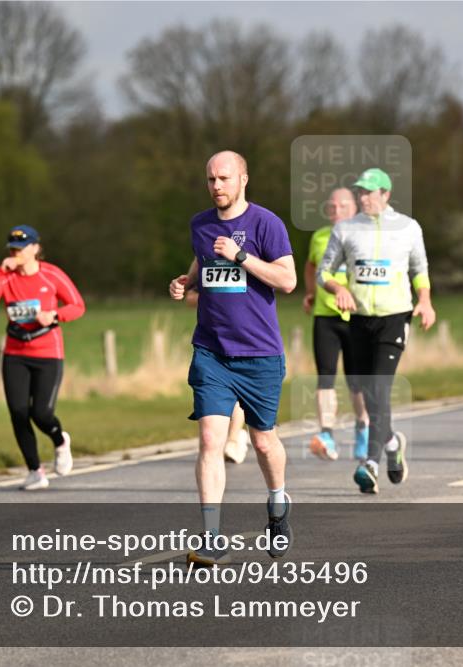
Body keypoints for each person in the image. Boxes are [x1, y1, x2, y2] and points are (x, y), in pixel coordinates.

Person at [169, 150, 295, 565]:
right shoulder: (200, 225)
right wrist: (187, 282)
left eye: (224, 178)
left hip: (259, 353)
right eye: (210, 179)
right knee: (210, 440)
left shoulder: (266, 223)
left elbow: (288, 280)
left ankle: (278, 505)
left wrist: (241, 256)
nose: (216, 186)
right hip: (212, 352)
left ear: (243, 178)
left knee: (262, 441)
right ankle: (211, 536)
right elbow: (203, 261)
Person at [317, 168, 436, 494]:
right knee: (366, 393)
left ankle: (370, 463)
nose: (363, 197)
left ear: (386, 194)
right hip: (358, 319)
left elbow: (420, 268)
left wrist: (424, 300)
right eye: (360, 192)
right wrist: (336, 288)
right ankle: (393, 441)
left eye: (369, 192)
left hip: (394, 317)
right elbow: (324, 271)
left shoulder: (408, 228)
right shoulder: (345, 229)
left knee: (380, 389)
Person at [0, 225, 85, 490]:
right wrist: (0, 271)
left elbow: (77, 306)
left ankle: (60, 441)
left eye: (22, 248)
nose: (17, 253)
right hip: (15, 353)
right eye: (13, 248)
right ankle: (35, 470)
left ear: (36, 248)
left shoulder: (51, 275)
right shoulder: (6, 277)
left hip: (48, 352)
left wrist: (55, 315)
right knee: (18, 412)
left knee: (42, 413)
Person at [303, 187, 369, 461]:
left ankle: (364, 426)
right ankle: (327, 433)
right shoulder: (319, 237)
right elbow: (310, 267)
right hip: (325, 316)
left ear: (355, 209)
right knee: (325, 377)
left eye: (343, 206)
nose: (337, 211)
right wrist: (310, 292)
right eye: (332, 207)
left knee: (356, 381)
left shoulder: (366, 237)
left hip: (356, 318)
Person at [183, 285, 250, 464]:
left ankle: (234, 439)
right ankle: (231, 439)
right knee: (221, 398)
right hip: (212, 344)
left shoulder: (251, 259)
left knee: (238, 396)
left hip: (248, 341)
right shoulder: (205, 259)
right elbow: (190, 298)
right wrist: (216, 299)